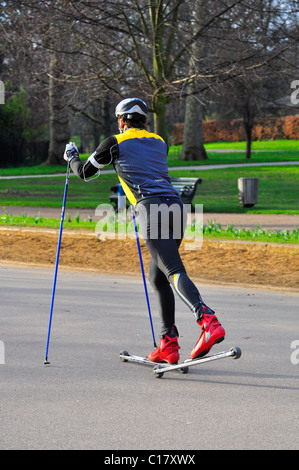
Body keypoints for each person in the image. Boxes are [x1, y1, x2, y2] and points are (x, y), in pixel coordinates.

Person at [64, 97, 225, 364]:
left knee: (173, 271)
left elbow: (84, 173)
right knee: (159, 277)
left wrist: (71, 157)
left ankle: (207, 320)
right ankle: (168, 344)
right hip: (176, 207)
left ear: (120, 120)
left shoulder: (114, 142)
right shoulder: (160, 141)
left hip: (152, 210)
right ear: (145, 121)